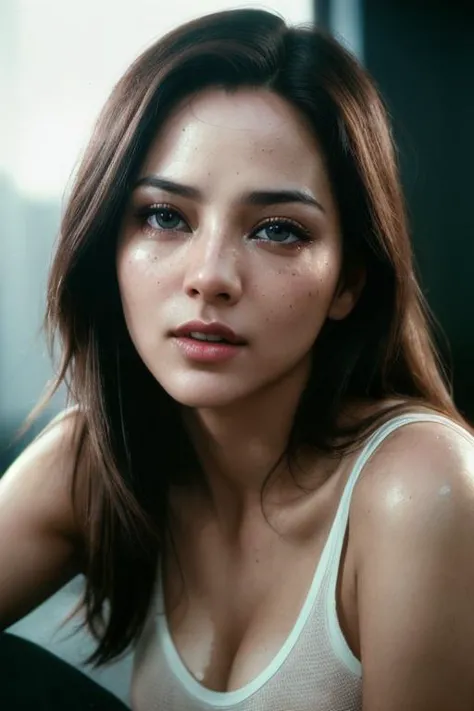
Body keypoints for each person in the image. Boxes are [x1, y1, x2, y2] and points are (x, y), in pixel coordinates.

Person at [1, 7, 474, 710]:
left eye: (278, 230)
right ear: (111, 245)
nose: (211, 275)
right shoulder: (95, 462)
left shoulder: (422, 488)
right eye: (166, 216)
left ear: (349, 280)